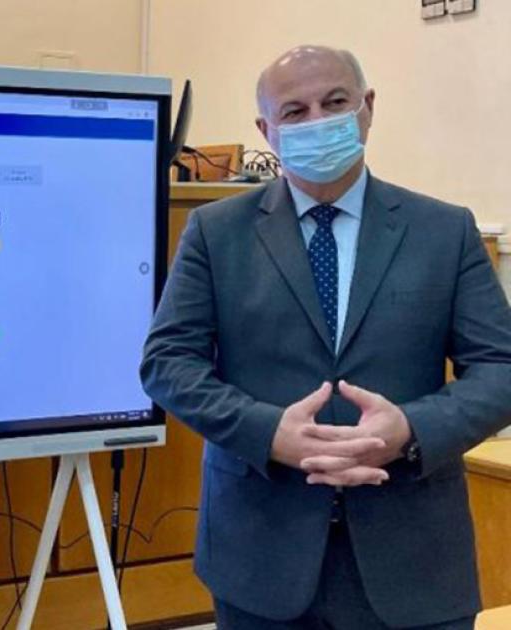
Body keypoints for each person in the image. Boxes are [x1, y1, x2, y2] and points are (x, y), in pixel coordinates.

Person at [141, 45, 511, 629]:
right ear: (266, 130)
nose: (317, 121)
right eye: (295, 111)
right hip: (260, 555)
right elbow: (167, 362)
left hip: (414, 559)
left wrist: (411, 429)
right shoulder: (216, 232)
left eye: (335, 102)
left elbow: (500, 369)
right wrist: (269, 433)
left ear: (368, 108)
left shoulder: (445, 230)